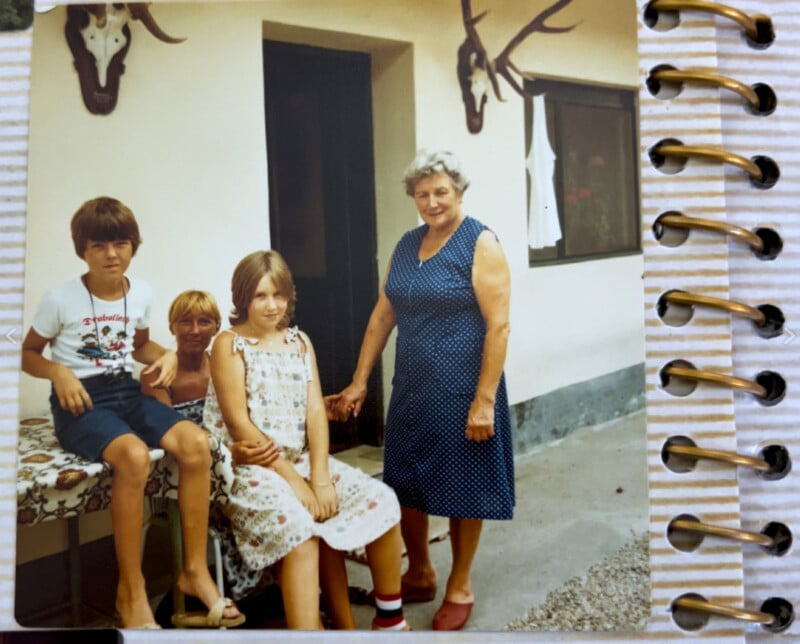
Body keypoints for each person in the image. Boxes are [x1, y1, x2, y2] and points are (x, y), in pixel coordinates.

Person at [20, 197, 244, 629]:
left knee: (197, 445)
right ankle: (131, 589)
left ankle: (194, 571)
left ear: (133, 246)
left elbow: (139, 346)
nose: (111, 254)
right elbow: (28, 354)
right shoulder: (60, 298)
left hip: (125, 390)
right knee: (134, 457)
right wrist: (59, 373)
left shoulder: (140, 291)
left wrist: (167, 356)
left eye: (120, 244)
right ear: (81, 249)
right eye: (98, 245)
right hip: (80, 403)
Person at [329, 149, 515, 631]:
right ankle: (420, 571)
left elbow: (499, 327)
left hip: (464, 389)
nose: (431, 203)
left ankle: (461, 583)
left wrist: (485, 401)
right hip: (412, 386)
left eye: (441, 193)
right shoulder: (408, 244)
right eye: (422, 195)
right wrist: (359, 379)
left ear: (459, 192)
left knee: (463, 486)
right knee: (406, 482)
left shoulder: (481, 242)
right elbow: (383, 315)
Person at [202, 249, 409, 630]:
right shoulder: (228, 344)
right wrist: (296, 482)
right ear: (242, 297)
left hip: (300, 460)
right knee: (299, 528)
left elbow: (315, 412)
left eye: (278, 295)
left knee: (382, 499)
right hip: (251, 467)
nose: (270, 306)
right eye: (260, 296)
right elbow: (238, 422)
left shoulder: (299, 342)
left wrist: (320, 476)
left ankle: (390, 620)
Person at [141, 290, 346, 628]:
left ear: (216, 327)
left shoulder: (226, 364)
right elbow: (173, 440)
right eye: (185, 321)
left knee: (296, 500)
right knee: (280, 504)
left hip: (248, 461)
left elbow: (265, 411)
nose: (194, 329)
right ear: (171, 326)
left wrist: (319, 406)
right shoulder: (157, 376)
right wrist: (228, 452)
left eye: (204, 321)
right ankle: (300, 609)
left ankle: (304, 604)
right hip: (190, 477)